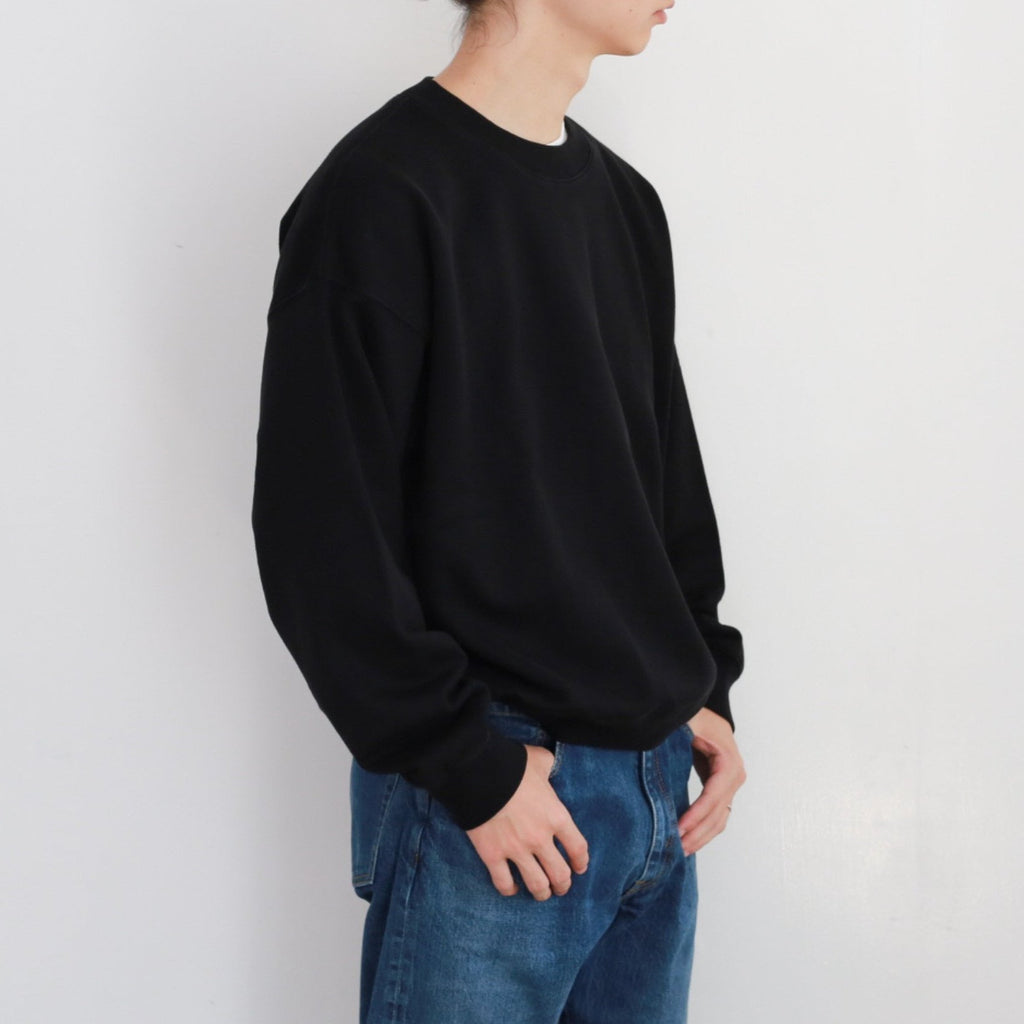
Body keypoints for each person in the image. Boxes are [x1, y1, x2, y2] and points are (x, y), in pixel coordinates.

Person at [251, 0, 747, 1020]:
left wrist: (702, 686)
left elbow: (660, 483)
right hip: (498, 790)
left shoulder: (624, 203)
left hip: (652, 787)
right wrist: (467, 765)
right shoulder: (380, 192)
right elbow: (319, 531)